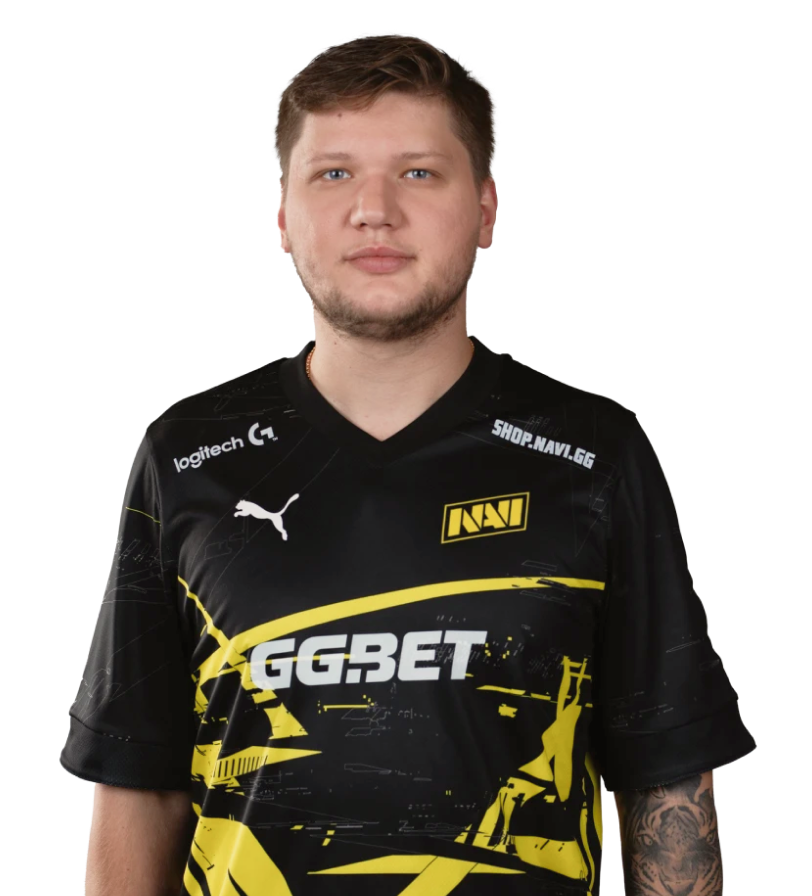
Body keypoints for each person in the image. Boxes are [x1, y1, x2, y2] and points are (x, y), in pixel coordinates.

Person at [61, 31, 757, 896]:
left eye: (419, 172)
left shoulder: (596, 454)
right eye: (334, 173)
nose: (375, 210)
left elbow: (666, 780)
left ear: (487, 209)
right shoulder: (185, 453)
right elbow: (139, 780)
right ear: (283, 218)